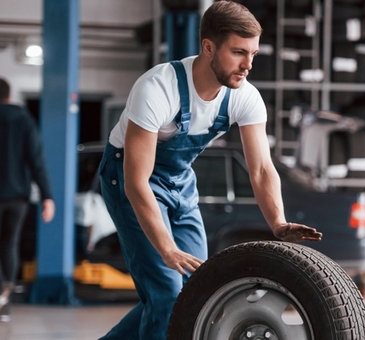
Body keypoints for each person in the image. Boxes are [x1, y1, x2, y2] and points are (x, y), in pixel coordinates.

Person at [97, 1, 322, 339]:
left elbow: (261, 168)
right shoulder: (158, 88)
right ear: (208, 47)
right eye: (238, 52)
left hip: (180, 181)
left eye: (253, 54)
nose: (248, 65)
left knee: (197, 290)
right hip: (130, 179)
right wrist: (167, 248)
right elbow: (136, 180)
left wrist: (277, 222)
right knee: (167, 294)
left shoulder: (244, 97)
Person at [0, 77, 55, 322]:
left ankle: (2, 295)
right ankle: (4, 298)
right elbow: (37, 159)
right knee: (9, 244)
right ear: (9, 96)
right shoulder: (23, 119)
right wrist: (47, 197)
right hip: (19, 197)